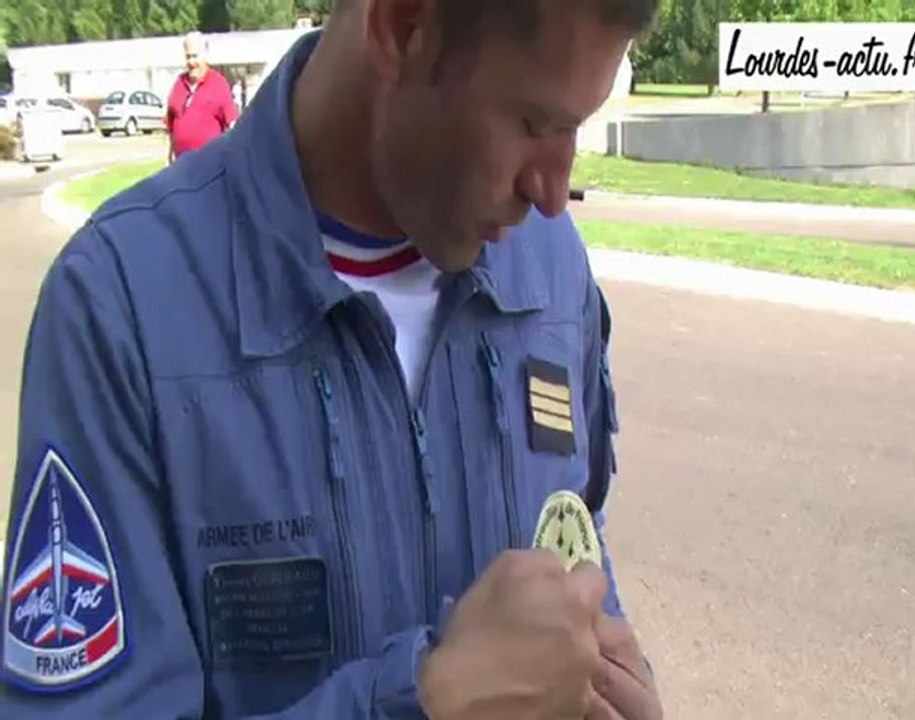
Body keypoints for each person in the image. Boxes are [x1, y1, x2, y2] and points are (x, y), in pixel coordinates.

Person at [0, 0, 663, 718]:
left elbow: (576, 539)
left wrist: (610, 681)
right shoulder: (123, 304)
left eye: (576, 126)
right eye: (534, 123)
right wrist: (426, 702)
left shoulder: (554, 271)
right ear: (402, 27)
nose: (554, 194)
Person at [165, 31, 239, 163]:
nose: (191, 62)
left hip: (210, 165)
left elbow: (233, 125)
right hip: (181, 165)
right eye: (188, 56)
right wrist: (168, 155)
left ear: (205, 55)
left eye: (195, 56)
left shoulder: (218, 83)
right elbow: (170, 126)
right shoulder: (179, 83)